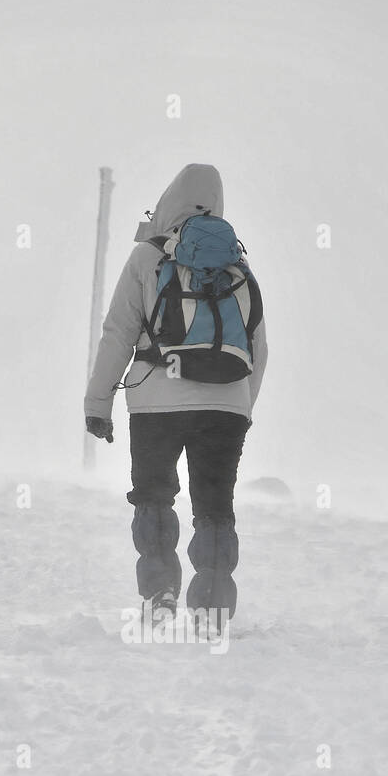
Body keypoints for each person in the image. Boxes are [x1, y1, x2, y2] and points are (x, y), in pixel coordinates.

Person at [84, 163, 268, 629]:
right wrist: (241, 406)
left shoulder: (148, 257)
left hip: (154, 404)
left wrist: (98, 403)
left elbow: (118, 333)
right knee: (214, 505)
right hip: (224, 405)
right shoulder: (237, 264)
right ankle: (210, 609)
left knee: (154, 497)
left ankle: (159, 596)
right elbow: (258, 347)